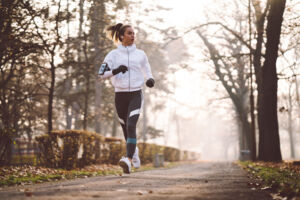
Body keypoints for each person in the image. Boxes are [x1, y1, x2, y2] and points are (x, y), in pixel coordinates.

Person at [98, 23, 155, 174]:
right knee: (125, 129)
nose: (133, 35)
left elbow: (147, 70)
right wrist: (116, 70)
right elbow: (101, 74)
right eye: (129, 33)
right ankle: (134, 152)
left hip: (136, 94)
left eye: (133, 33)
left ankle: (128, 160)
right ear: (122, 36)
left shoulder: (141, 54)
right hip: (120, 96)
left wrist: (150, 79)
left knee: (131, 125)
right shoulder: (113, 55)